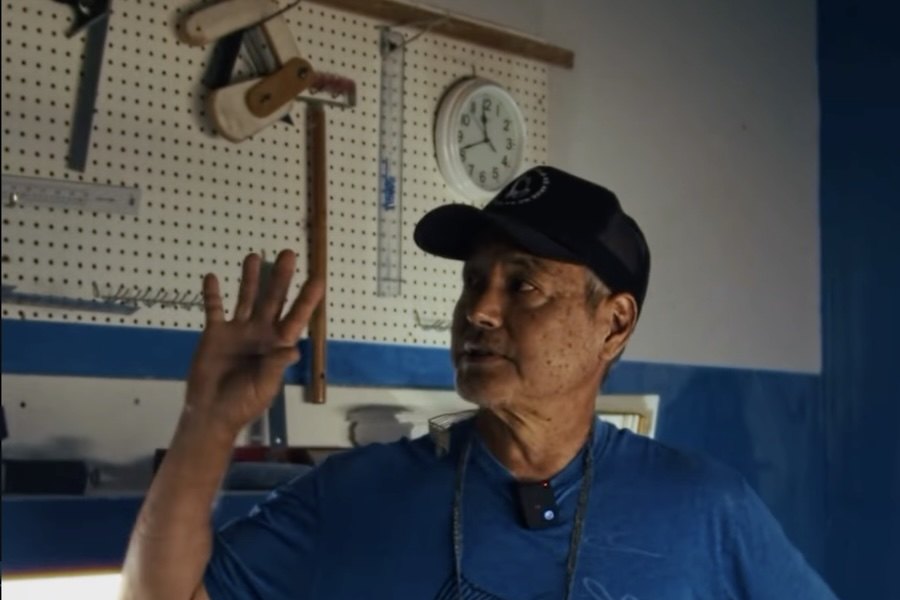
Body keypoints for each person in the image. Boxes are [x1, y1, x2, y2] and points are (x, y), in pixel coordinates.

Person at [120, 166, 837, 599]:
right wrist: (208, 419)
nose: (480, 311)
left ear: (614, 324)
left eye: (523, 285)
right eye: (473, 282)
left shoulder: (705, 510)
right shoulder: (355, 497)